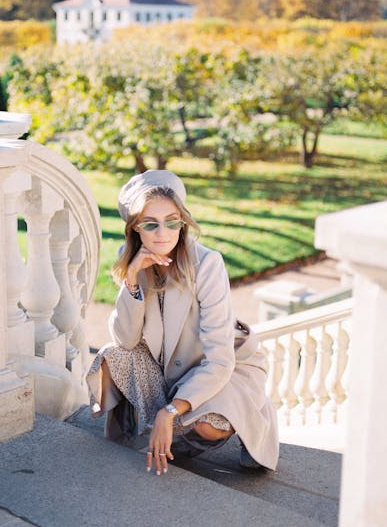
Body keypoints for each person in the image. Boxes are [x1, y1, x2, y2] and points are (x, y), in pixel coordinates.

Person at [86, 170, 279, 475]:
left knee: (208, 427)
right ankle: (172, 431)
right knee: (112, 355)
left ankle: (235, 415)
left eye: (172, 221)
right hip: (167, 366)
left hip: (221, 370)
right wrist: (133, 280)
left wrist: (169, 411)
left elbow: (219, 360)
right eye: (150, 224)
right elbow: (126, 340)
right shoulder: (132, 258)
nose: (163, 233)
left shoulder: (207, 264)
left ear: (183, 222)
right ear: (136, 229)